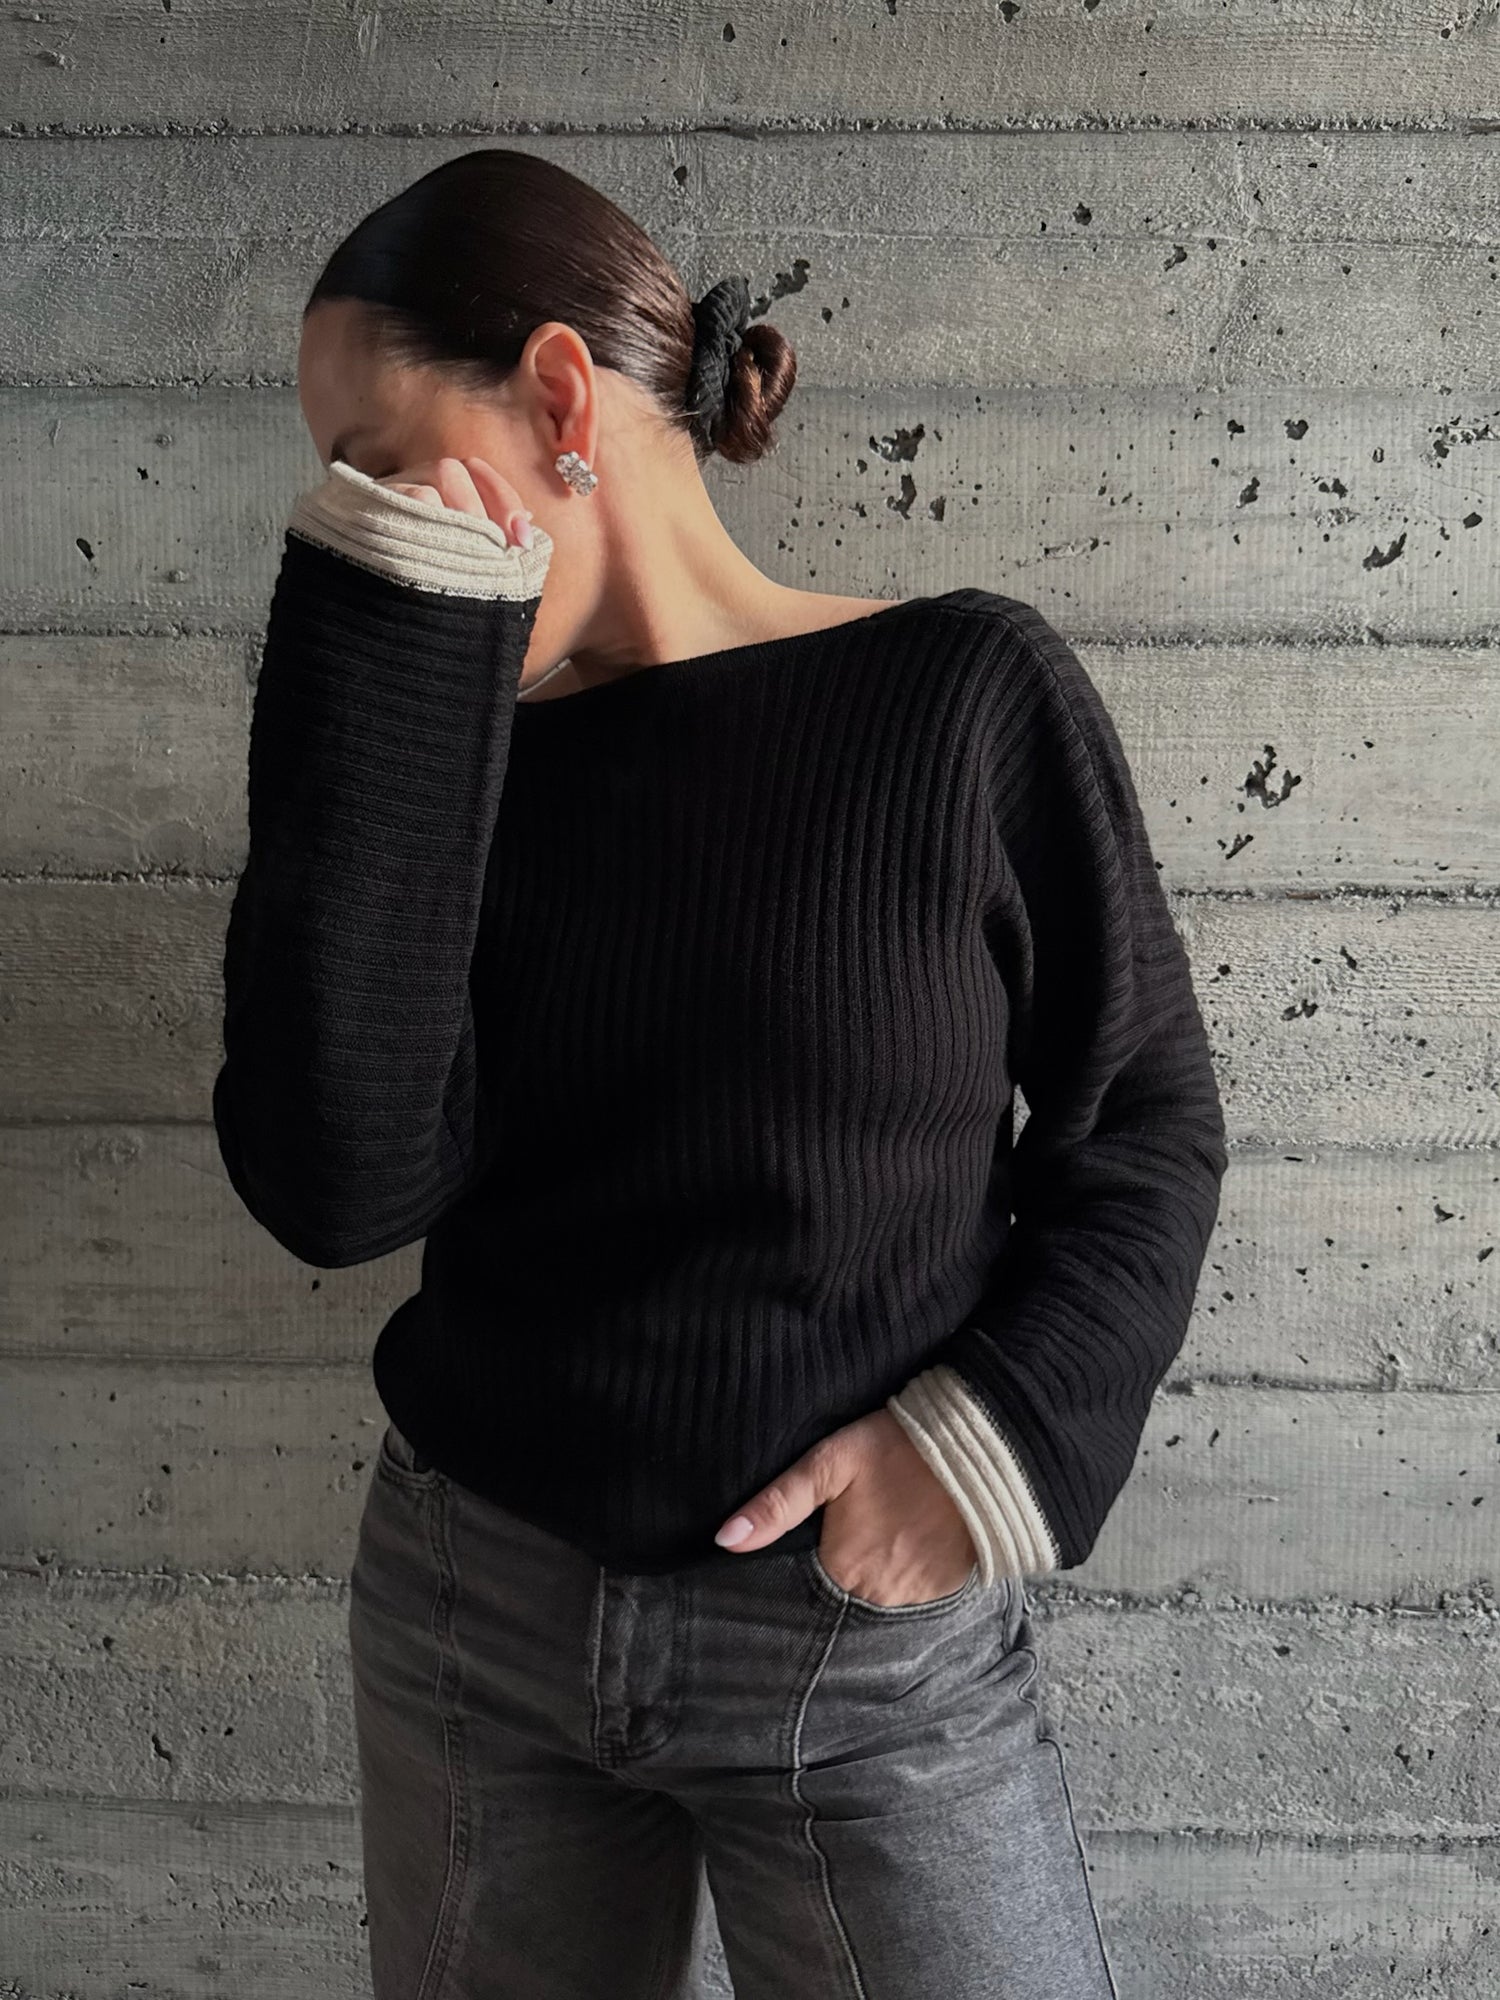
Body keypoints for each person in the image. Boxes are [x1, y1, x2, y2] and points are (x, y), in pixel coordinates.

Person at [212, 147, 1228, 1999]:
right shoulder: (447, 771)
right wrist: (386, 650)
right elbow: (335, 1184)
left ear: (556, 394)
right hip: (472, 1612)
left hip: (857, 1646)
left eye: (375, 462)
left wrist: (992, 1443)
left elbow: (1146, 1125)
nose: (356, 517)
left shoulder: (962, 695)